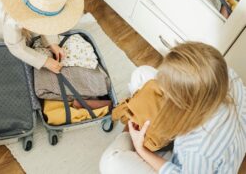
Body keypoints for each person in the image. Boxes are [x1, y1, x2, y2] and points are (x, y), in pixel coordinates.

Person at [100, 42, 246, 173]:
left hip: (185, 164)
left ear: (183, 103)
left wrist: (141, 149)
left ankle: (132, 134)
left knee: (111, 162)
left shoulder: (199, 153)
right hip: (200, 125)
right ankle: (137, 130)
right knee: (142, 73)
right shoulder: (223, 72)